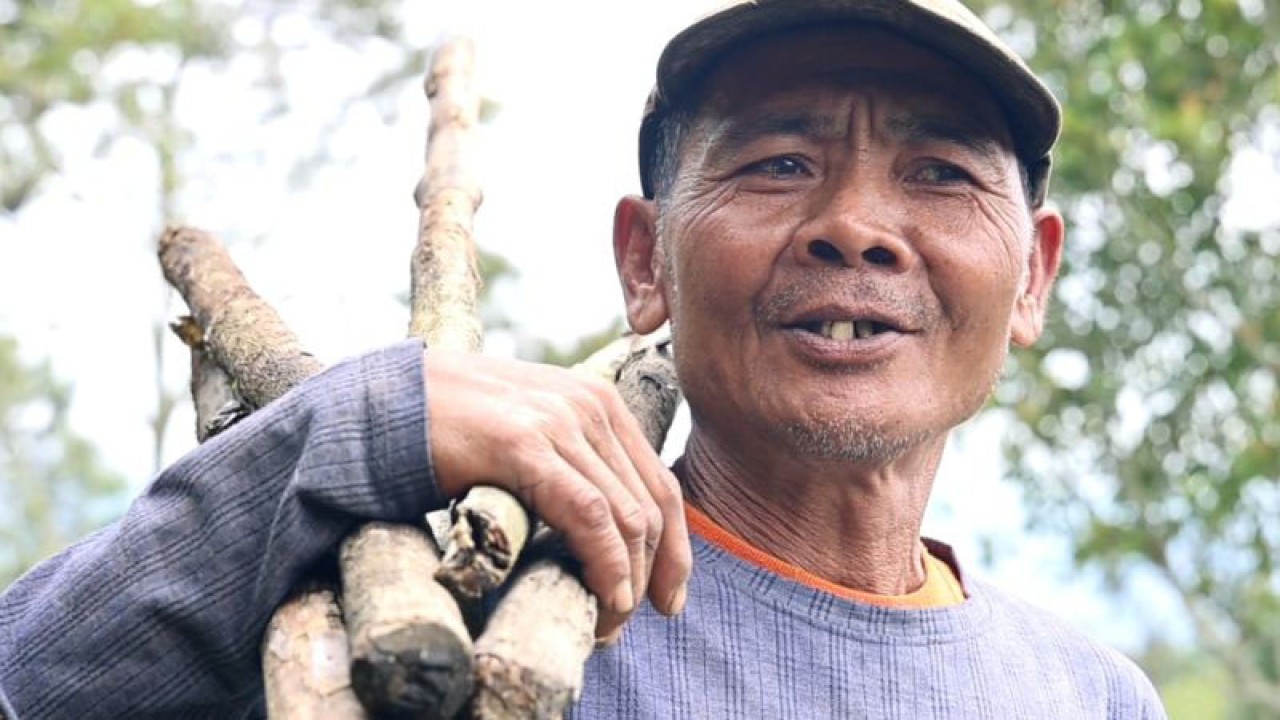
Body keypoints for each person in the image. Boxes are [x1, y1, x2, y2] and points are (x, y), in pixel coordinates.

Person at [0, 1, 1167, 718]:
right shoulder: (431, 608)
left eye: (939, 174)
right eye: (773, 162)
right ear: (643, 262)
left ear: (1032, 279)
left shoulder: (1095, 698)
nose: (854, 223)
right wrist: (358, 428)